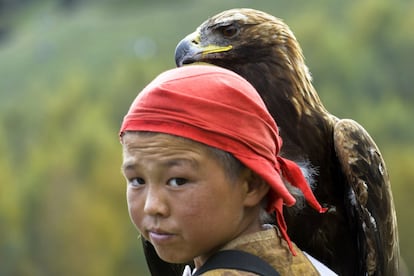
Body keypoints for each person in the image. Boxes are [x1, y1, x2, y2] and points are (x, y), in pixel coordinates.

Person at [119, 65, 337, 275]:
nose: (152, 206)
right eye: (137, 180)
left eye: (178, 181)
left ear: (252, 185)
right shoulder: (300, 263)